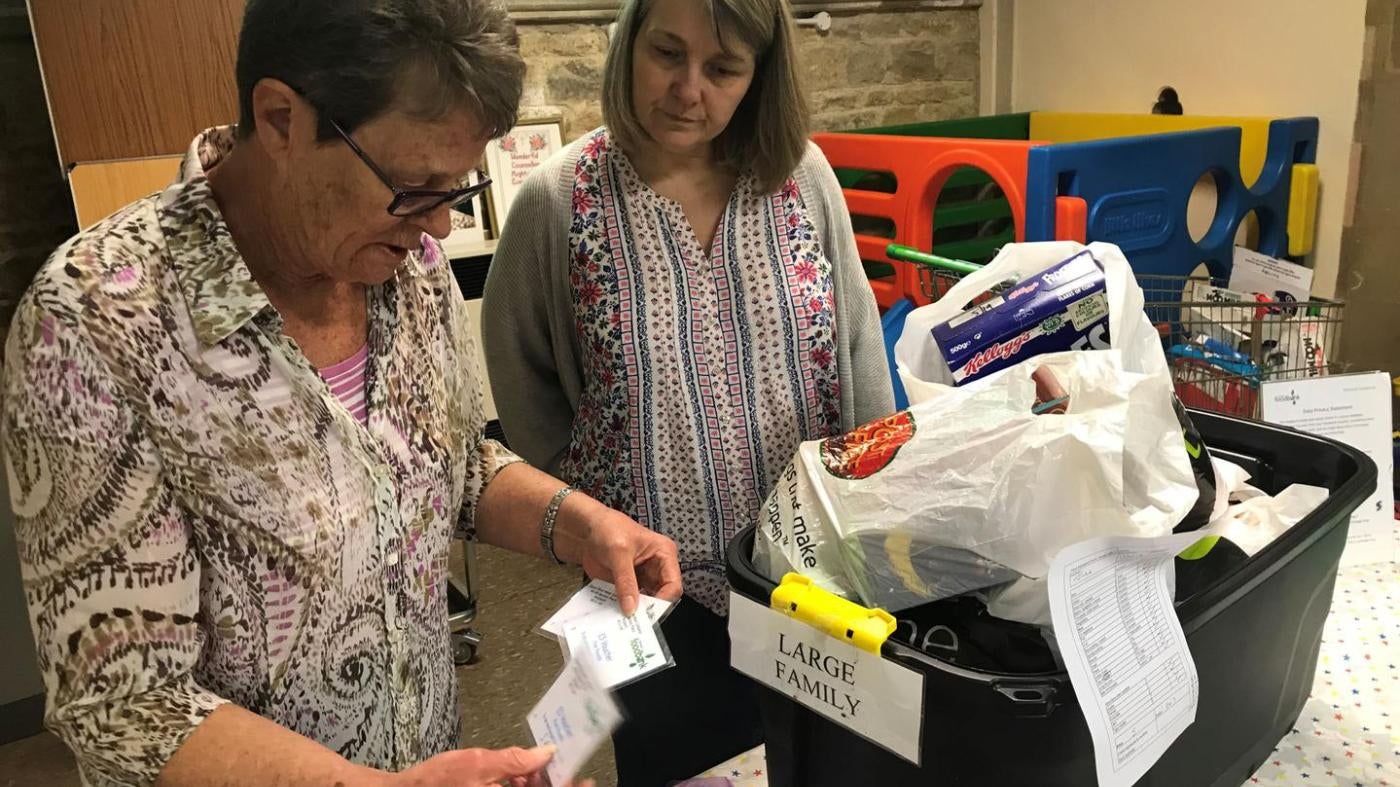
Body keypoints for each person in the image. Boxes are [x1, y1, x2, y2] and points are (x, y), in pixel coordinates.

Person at [0, 1, 682, 785]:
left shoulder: (407, 267)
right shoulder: (95, 321)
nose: (436, 228)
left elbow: (450, 465)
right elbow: (123, 703)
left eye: (454, 191)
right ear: (280, 119)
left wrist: (576, 521)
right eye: (414, 187)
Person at [482, 0, 894, 782]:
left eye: (723, 68)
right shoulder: (560, 200)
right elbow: (519, 370)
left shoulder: (802, 179)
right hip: (652, 599)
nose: (687, 90)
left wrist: (880, 529)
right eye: (667, 53)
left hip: (814, 583)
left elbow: (859, 351)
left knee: (825, 768)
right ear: (629, 43)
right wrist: (583, 502)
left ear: (759, 76)